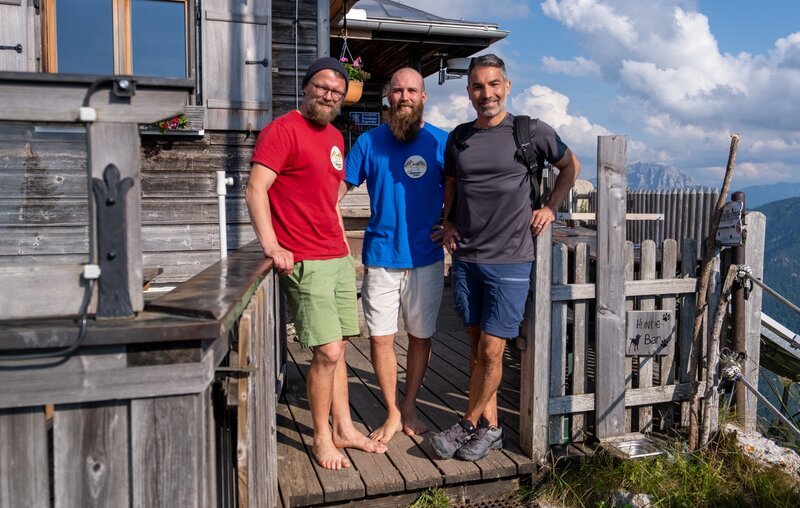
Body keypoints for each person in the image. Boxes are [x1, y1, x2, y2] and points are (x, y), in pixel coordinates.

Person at [431, 54, 581, 461]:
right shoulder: (459, 137)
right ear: (469, 92)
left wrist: (550, 207)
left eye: (494, 84)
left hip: (511, 259)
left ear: (507, 86)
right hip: (467, 259)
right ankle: (491, 428)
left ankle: (465, 425)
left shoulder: (529, 132)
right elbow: (451, 182)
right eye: (478, 86)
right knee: (477, 350)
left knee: (493, 350)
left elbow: (571, 166)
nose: (487, 94)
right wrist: (447, 220)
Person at [245, 57, 387, 470]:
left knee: (339, 346)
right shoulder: (281, 131)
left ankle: (344, 428)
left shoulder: (335, 138)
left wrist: (343, 242)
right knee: (326, 351)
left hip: (337, 255)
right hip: (305, 258)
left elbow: (329, 199)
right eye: (323, 87)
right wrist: (271, 246)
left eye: (337, 92)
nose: (329, 95)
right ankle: (322, 437)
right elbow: (256, 189)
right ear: (306, 87)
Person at [342, 67, 448, 443]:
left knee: (420, 336)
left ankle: (410, 406)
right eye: (398, 91)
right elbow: (334, 191)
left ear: (423, 97)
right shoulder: (369, 142)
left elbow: (465, 190)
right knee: (381, 337)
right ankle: (391, 411)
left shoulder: (441, 142)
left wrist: (452, 223)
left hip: (427, 257)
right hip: (382, 257)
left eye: (411, 91)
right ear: (388, 97)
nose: (404, 97)